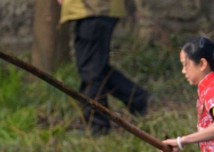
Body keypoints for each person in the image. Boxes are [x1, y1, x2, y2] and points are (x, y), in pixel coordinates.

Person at [58, 0, 150, 135]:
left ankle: (97, 125)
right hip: (92, 10)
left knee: (91, 71)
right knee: (95, 68)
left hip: (94, 9)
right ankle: (138, 100)